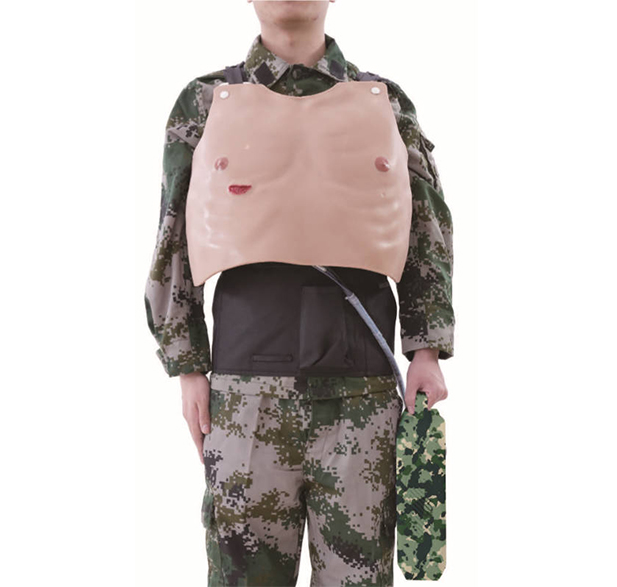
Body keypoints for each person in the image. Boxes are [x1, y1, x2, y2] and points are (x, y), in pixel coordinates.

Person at [143, 1, 454, 585]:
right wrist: (187, 365)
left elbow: (426, 229)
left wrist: (426, 350)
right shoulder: (205, 101)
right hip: (243, 395)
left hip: (364, 396)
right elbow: (173, 235)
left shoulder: (386, 102)